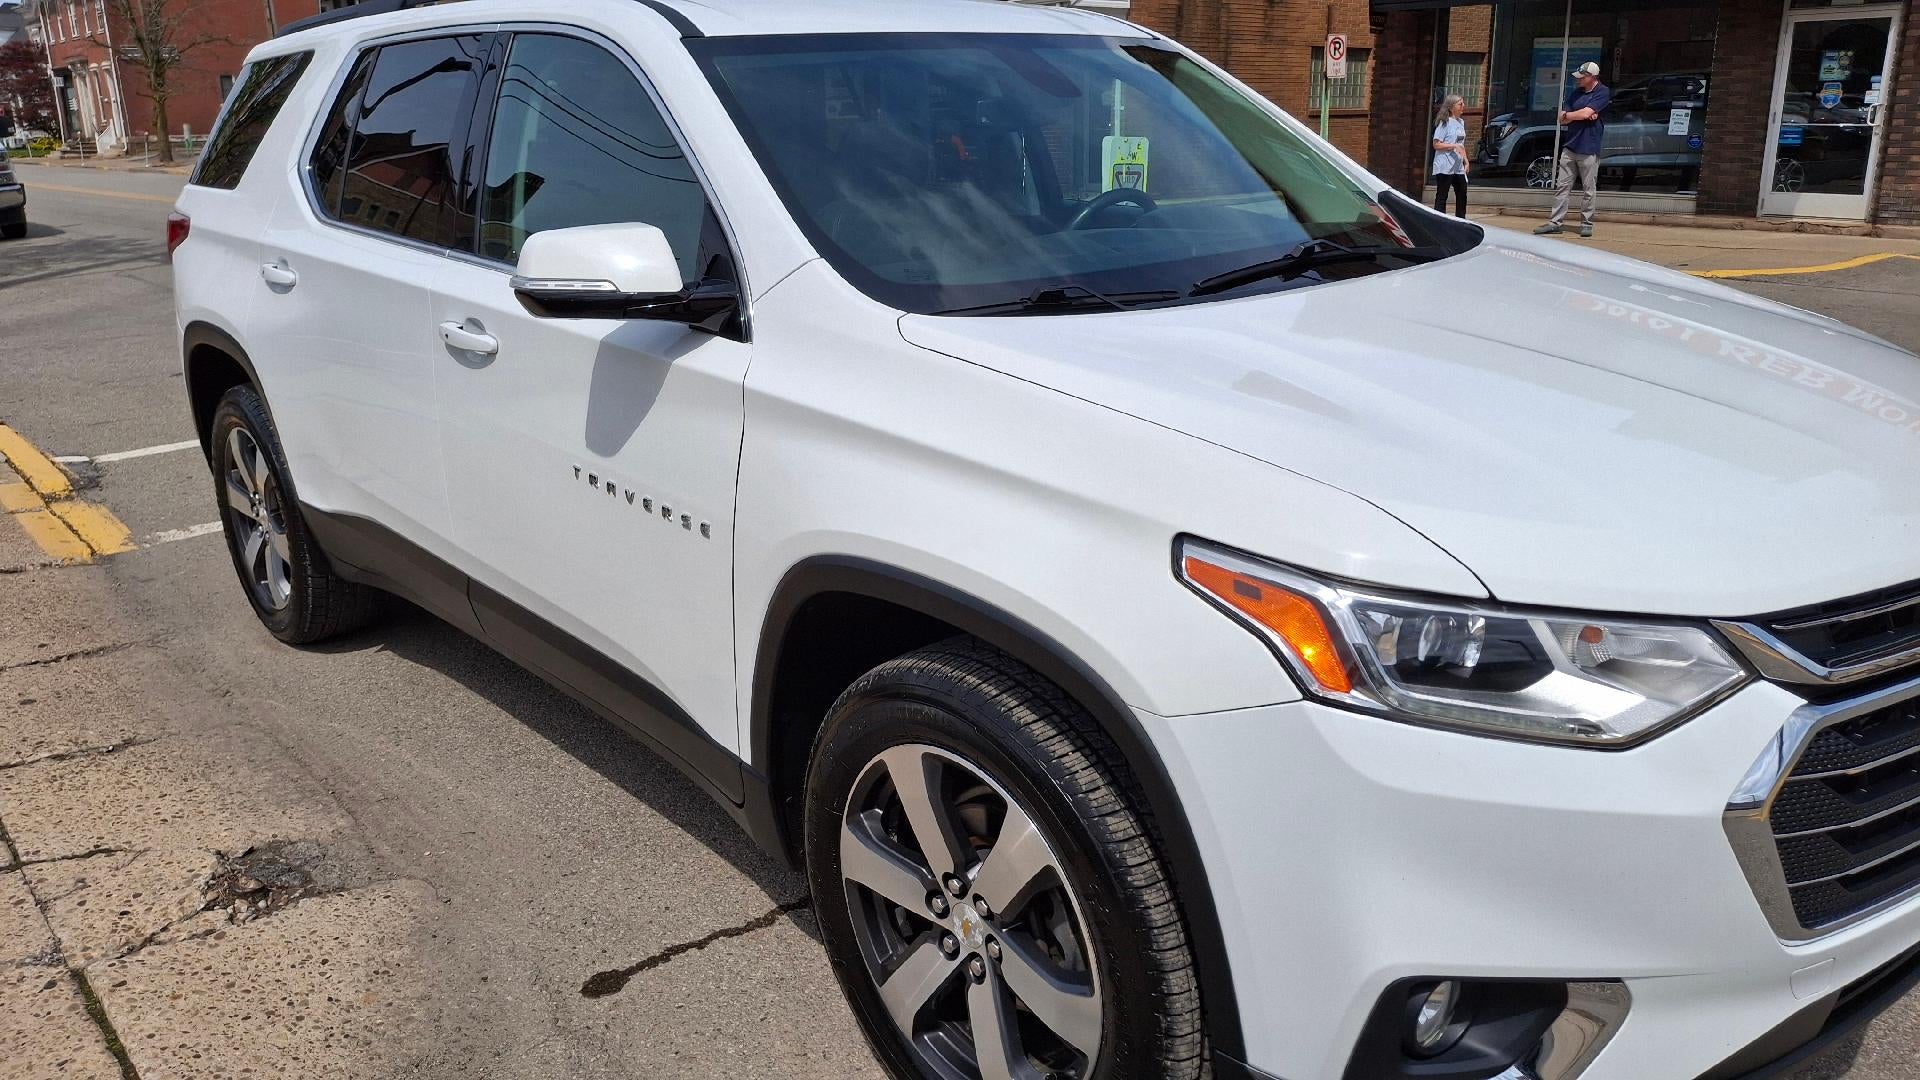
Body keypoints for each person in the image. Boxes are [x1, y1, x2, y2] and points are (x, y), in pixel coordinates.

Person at [1535, 61, 1610, 238]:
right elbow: (1562, 117)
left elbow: (1583, 113)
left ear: (1592, 77)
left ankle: (1586, 223)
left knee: (1588, 188)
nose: (1578, 80)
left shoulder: (1602, 92)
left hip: (1589, 148)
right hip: (1570, 146)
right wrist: (1578, 114)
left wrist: (1578, 114)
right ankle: (1555, 222)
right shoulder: (1576, 93)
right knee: (1562, 186)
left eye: (1582, 77)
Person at [1431, 95, 1469, 218]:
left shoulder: (1461, 122)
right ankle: (1439, 219)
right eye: (1460, 104)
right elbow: (1436, 144)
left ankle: (1461, 219)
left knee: (1462, 192)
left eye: (1463, 104)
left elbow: (1461, 145)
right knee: (1442, 194)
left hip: (1457, 166)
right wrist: (1453, 146)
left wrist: (1466, 160)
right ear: (1452, 107)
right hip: (1445, 165)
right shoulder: (1444, 123)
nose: (1463, 106)